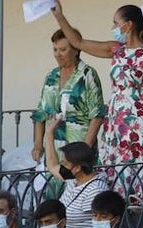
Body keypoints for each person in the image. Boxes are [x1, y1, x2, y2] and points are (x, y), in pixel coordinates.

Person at [51, 2, 143, 186]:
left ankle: (140, 206)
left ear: (127, 25)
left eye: (116, 23)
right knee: (115, 163)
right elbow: (78, 42)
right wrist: (59, 16)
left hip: (140, 116)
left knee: (140, 164)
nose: (114, 28)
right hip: (116, 116)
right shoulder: (116, 49)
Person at [30, 28, 106, 158]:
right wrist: (38, 145)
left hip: (78, 148)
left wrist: (86, 149)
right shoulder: (51, 76)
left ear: (76, 50)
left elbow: (97, 115)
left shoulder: (87, 74)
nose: (58, 54)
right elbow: (41, 113)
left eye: (63, 50)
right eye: (55, 49)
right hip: (52, 149)